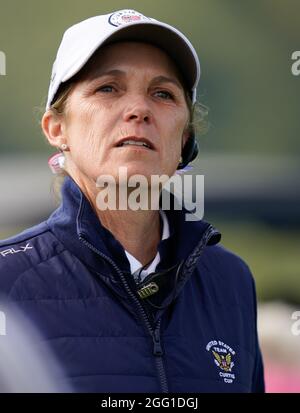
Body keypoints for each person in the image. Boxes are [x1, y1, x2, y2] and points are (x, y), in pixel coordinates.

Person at [0, 9, 264, 393]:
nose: (139, 110)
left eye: (162, 94)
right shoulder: (7, 282)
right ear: (57, 128)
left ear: (184, 141)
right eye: (108, 88)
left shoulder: (231, 281)